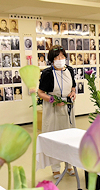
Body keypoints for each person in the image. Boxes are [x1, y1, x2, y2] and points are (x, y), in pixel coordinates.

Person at [38, 45, 76, 179]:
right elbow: (40, 93)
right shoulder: (47, 73)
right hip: (53, 107)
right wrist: (53, 100)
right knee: (54, 136)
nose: (60, 59)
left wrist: (72, 92)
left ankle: (70, 165)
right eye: (56, 57)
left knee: (69, 137)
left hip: (67, 107)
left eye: (62, 56)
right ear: (52, 60)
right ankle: (55, 169)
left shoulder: (70, 70)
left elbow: (73, 86)